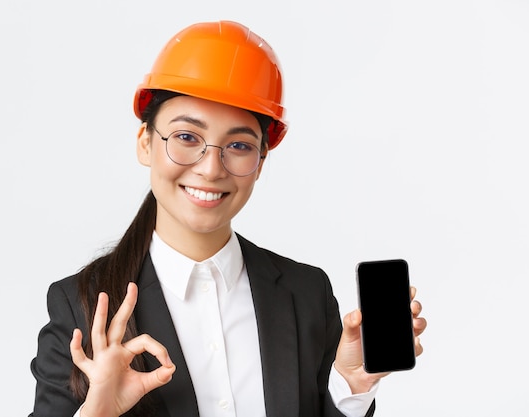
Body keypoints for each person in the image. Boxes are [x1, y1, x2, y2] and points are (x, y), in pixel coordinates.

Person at [29, 20, 427, 417]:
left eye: (238, 145)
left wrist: (351, 385)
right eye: (186, 137)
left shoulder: (307, 295)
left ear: (260, 163)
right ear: (146, 143)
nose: (211, 168)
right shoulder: (80, 307)